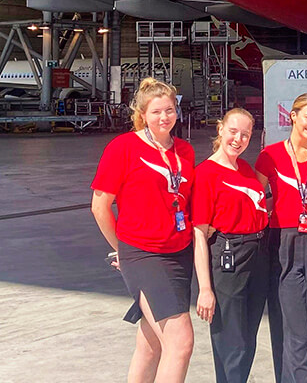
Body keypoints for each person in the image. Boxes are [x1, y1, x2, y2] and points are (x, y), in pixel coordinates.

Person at [90, 78, 195, 383]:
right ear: (143, 114)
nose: (165, 117)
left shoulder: (185, 151)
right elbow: (100, 206)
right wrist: (123, 249)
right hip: (144, 254)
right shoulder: (123, 147)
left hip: (178, 253)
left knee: (150, 344)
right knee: (180, 343)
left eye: (171, 110)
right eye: (157, 111)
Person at [256, 93, 307, 383]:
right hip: (283, 240)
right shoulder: (271, 155)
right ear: (293, 116)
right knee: (295, 321)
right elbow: (254, 197)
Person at [191, 108, 269, 383]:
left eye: (245, 134)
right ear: (220, 129)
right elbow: (199, 233)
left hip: (257, 254)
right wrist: (205, 289)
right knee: (231, 340)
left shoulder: (246, 168)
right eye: (233, 131)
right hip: (229, 257)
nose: (238, 139)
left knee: (247, 338)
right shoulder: (206, 173)